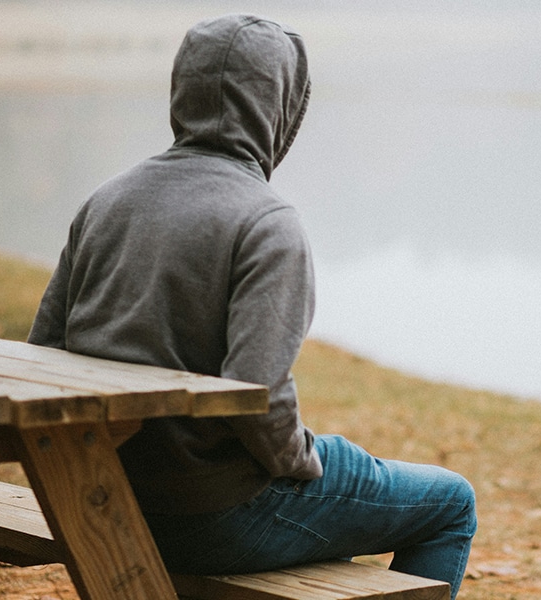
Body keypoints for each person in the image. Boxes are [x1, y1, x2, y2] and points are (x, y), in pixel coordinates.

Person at [27, 14, 475, 598]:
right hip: (214, 512)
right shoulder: (267, 222)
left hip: (103, 494)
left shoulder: (106, 201)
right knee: (450, 503)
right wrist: (303, 461)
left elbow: (42, 357)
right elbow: (257, 397)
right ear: (280, 108)